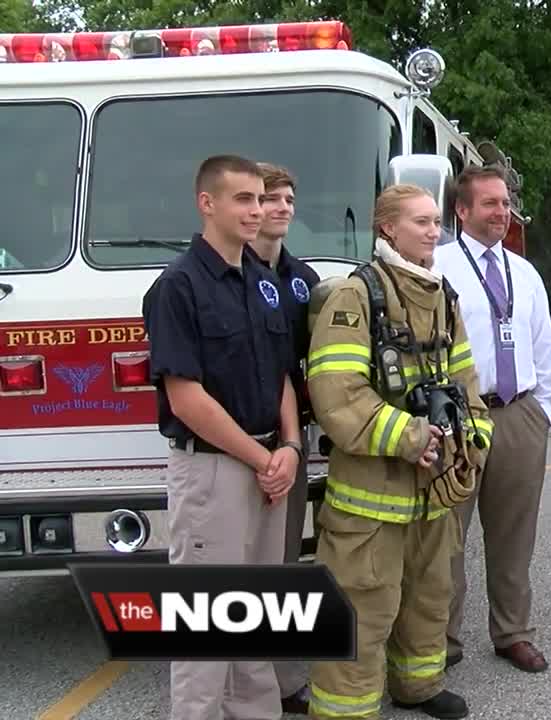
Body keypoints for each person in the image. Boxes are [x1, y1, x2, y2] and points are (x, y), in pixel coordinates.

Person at [304, 184, 493, 720]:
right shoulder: (355, 296)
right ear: (388, 228)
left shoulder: (441, 293)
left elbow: (464, 377)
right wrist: (410, 436)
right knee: (362, 607)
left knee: (428, 597)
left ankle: (418, 686)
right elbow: (337, 393)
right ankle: (345, 710)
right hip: (370, 498)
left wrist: (474, 439)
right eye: (422, 223)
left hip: (431, 491)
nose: (435, 232)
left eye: (437, 222)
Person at [142, 155, 303, 720]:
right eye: (243, 199)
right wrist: (265, 457)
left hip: (268, 463)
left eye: (261, 199)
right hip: (214, 470)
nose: (257, 211)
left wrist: (289, 445)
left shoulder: (264, 283)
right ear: (206, 203)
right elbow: (187, 399)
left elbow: (283, 371)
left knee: (257, 610)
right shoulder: (177, 287)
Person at [432, 166, 551, 673]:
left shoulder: (523, 272)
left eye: (505, 204)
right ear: (461, 211)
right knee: (446, 537)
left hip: (519, 413)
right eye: (489, 204)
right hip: (462, 415)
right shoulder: (436, 267)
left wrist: (542, 411)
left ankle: (512, 632)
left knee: (514, 534)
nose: (501, 213)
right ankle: (441, 639)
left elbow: (543, 347)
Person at [246, 162, 321, 714]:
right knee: (236, 567)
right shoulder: (226, 274)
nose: (282, 207)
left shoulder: (304, 281)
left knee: (285, 560)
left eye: (289, 199)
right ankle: (231, 683)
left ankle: (285, 679)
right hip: (239, 440)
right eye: (272, 199)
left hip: (291, 443)